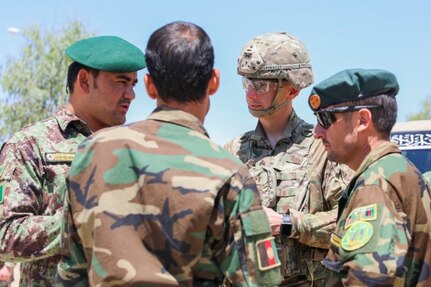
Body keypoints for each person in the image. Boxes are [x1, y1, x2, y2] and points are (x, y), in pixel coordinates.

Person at [56, 21, 282, 286]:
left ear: (150, 86)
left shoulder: (92, 152)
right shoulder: (229, 172)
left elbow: (72, 271)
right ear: (214, 82)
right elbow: (260, 281)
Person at [0, 35, 146, 286]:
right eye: (121, 82)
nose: (131, 94)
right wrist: (82, 224)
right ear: (85, 80)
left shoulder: (133, 149)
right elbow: (5, 236)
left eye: (133, 84)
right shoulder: (31, 144)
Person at [224, 32, 352, 286]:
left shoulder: (322, 147)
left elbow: (350, 224)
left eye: (261, 85)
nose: (250, 93)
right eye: (247, 83)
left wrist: (287, 223)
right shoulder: (232, 152)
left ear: (292, 89)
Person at [309, 68, 431, 286]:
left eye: (325, 119)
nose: (317, 132)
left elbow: (369, 279)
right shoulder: (400, 170)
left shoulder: (375, 185)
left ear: (363, 120)